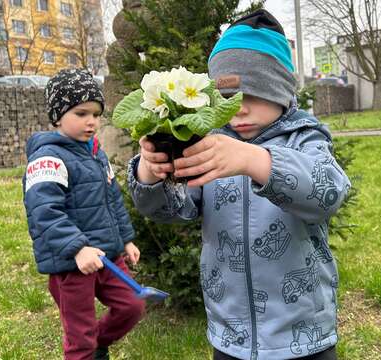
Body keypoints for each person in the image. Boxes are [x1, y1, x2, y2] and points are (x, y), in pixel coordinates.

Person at [128, 10, 351, 360]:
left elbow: (329, 192)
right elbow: (171, 210)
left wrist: (253, 160)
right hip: (230, 336)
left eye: (252, 95)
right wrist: (150, 171)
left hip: (304, 336)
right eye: (227, 99)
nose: (238, 110)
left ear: (280, 91)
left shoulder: (305, 139)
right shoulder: (209, 142)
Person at [22, 69, 145, 360]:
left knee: (133, 305)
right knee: (80, 336)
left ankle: (97, 345)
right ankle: (86, 351)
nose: (91, 121)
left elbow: (112, 199)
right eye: (81, 113)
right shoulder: (48, 158)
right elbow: (44, 211)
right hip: (71, 265)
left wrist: (126, 239)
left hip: (108, 258)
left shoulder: (96, 153)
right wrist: (77, 248)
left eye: (96, 114)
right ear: (57, 116)